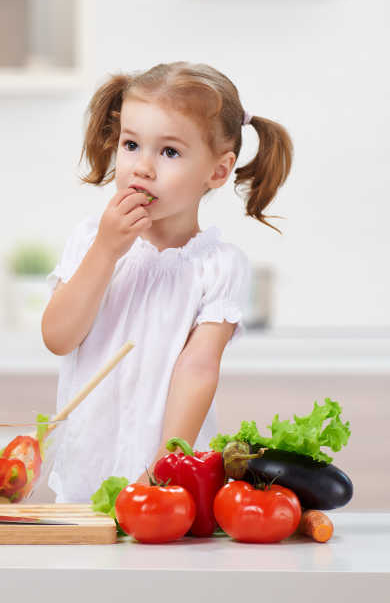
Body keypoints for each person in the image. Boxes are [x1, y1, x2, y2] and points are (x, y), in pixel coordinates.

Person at [41, 61, 293, 502]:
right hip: (86, 467)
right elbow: (58, 338)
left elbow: (198, 370)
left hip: (169, 480)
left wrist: (166, 469)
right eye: (131, 145)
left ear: (217, 171)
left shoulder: (218, 266)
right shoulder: (90, 239)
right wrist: (106, 250)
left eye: (169, 152)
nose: (142, 167)